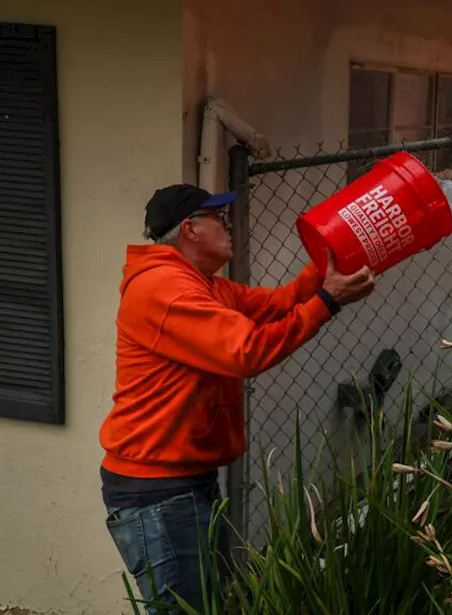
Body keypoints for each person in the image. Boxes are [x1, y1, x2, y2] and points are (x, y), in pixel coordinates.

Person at [98, 184, 376, 613]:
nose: (228, 223)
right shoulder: (164, 288)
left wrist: (325, 268)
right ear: (189, 229)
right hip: (156, 489)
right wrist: (327, 302)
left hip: (182, 480)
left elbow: (278, 305)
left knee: (207, 604)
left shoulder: (206, 286)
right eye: (217, 216)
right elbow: (246, 351)